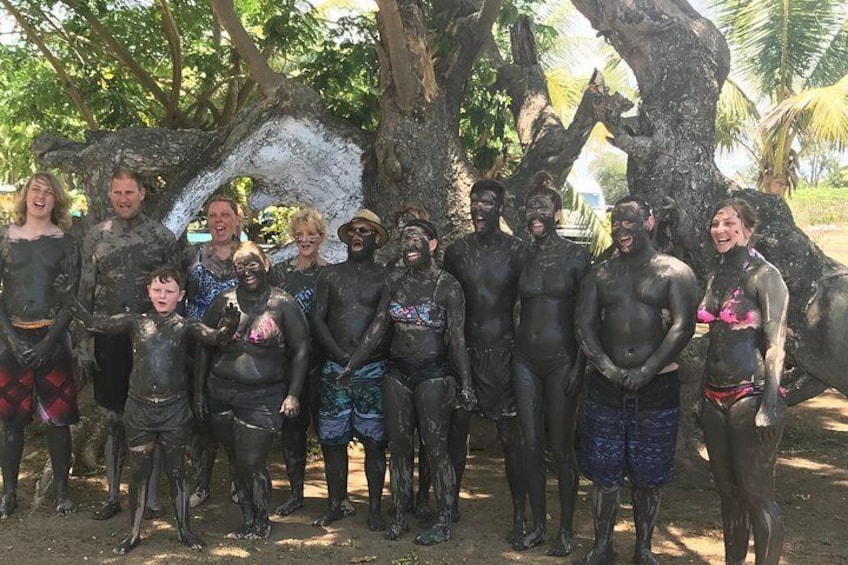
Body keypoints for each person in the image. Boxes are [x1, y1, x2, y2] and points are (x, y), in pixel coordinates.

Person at [55, 266, 239, 554]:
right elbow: (94, 322)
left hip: (174, 410)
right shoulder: (135, 323)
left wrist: (229, 326)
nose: (162, 295)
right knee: (138, 472)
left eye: (169, 291)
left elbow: (215, 338)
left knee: (177, 472)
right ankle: (133, 533)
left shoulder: (186, 326)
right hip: (139, 409)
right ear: (148, 292)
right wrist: (69, 298)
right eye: (157, 290)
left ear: (181, 295)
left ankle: (184, 529)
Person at [575, 196, 698, 565]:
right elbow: (584, 325)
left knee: (650, 473)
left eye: (629, 221)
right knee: (604, 471)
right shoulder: (600, 273)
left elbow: (683, 325)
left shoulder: (675, 272)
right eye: (615, 222)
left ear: (649, 221)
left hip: (657, 385)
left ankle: (643, 546)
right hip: (605, 386)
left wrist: (648, 369)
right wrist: (608, 368)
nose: (620, 230)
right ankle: (602, 545)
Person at [343, 219, 476, 545]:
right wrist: (353, 364)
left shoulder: (448, 286)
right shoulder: (395, 281)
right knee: (399, 448)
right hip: (397, 373)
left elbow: (457, 340)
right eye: (404, 240)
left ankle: (443, 519)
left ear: (432, 244)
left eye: (416, 239)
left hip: (434, 373)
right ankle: (400, 513)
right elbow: (377, 327)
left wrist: (467, 384)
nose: (409, 246)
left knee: (435, 449)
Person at [78, 169, 178, 520]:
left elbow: (173, 292)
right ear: (110, 195)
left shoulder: (161, 237)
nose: (123, 198)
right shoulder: (95, 236)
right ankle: (112, 494)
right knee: (113, 419)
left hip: (151, 342)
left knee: (151, 419)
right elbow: (84, 293)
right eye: (117, 192)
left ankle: (150, 496)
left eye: (129, 192)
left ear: (142, 194)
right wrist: (82, 344)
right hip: (108, 341)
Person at [194, 242, 309, 540]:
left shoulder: (283, 304)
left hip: (263, 396)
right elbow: (204, 348)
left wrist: (293, 393)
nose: (246, 271)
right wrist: (198, 392)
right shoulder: (223, 302)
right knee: (235, 461)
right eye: (239, 266)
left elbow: (300, 351)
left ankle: (262, 521)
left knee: (252, 461)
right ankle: (248, 520)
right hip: (220, 392)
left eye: (252, 263)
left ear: (266, 263)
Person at [698, 198, 788, 565]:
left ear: (747, 229)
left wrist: (770, 402)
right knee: (728, 492)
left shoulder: (766, 276)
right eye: (716, 223)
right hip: (712, 395)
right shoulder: (716, 273)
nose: (720, 229)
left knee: (756, 494)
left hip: (749, 394)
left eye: (729, 223)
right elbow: (712, 336)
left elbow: (776, 342)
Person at [443, 179, 528, 540]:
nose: (479, 208)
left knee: (511, 437)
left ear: (501, 208)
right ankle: (448, 506)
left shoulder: (518, 251)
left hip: (503, 352)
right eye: (474, 202)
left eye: (487, 203)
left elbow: (528, 306)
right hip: (464, 352)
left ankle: (521, 514)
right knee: (454, 433)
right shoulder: (457, 251)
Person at [512, 172, 591, 555]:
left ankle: (566, 529)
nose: (535, 214)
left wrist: (581, 364)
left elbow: (585, 317)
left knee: (561, 448)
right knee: (530, 445)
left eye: (542, 208)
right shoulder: (521, 255)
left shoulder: (577, 256)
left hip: (563, 359)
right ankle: (538, 525)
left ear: (557, 214)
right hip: (524, 359)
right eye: (530, 208)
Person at [0, 173, 79, 518]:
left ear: (57, 201)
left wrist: (48, 342)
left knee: (58, 422)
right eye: (36, 189)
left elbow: (71, 299)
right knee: (10, 422)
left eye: (49, 192)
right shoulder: (5, 238)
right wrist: (11, 339)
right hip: (10, 338)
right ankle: (9, 492)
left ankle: (62, 491)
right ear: (25, 195)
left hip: (53, 339)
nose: (41, 196)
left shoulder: (66, 242)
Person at [310, 209, 389, 531]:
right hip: (334, 368)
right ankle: (335, 503)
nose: (358, 236)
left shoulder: (387, 276)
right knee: (332, 441)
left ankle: (374, 508)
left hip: (372, 369)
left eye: (366, 231)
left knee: (375, 441)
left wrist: (356, 360)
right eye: (354, 231)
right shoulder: (329, 276)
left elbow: (383, 321)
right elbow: (317, 318)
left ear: (376, 239)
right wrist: (339, 355)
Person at [268, 207, 329, 516]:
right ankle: (295, 493)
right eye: (301, 234)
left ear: (321, 237)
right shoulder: (278, 273)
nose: (306, 239)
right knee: (292, 431)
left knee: (328, 430)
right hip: (287, 364)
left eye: (312, 234)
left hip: (321, 362)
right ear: (293, 237)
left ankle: (337, 498)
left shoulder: (330, 273)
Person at [184, 195, 242, 509]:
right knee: (200, 418)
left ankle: (238, 481)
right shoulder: (193, 257)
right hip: (197, 348)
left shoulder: (249, 255)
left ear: (237, 219)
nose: (218, 221)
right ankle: (202, 484)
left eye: (224, 215)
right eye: (212, 215)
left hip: (236, 352)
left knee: (234, 420)